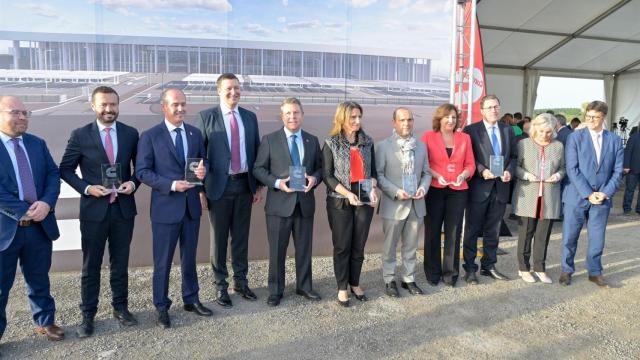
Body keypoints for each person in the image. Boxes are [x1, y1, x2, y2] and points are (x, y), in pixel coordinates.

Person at [59, 86, 139, 338]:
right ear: (93, 106)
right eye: (103, 105)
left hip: (123, 210)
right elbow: (66, 170)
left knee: (120, 263)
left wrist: (133, 183)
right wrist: (86, 188)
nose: (109, 109)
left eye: (113, 105)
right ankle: (88, 315)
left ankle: (120, 308)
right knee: (90, 265)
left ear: (118, 106)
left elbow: (142, 167)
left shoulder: (130, 134)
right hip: (94, 211)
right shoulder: (81, 135)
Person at [136, 88, 212, 328]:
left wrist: (203, 170)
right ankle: (161, 306)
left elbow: (203, 160)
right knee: (163, 261)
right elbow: (142, 172)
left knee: (189, 258)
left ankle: (191, 298)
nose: (181, 109)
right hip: (165, 209)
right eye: (175, 104)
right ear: (164, 107)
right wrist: (170, 184)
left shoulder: (194, 133)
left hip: (191, 208)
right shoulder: (150, 136)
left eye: (183, 104)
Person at [0, 96, 64, 342]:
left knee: (39, 278)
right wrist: (24, 209)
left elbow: (52, 174)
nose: (22, 117)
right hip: (6, 228)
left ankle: (45, 321)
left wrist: (46, 203)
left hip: (38, 227)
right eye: (15, 112)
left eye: (25, 113)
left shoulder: (36, 143)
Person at [195, 73, 262, 308]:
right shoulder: (206, 117)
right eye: (228, 89)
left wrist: (258, 185)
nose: (233, 92)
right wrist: (199, 190)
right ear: (218, 91)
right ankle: (220, 285)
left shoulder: (250, 117)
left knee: (241, 238)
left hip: (244, 185)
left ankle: (241, 282)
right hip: (218, 187)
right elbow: (198, 155)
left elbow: (256, 152)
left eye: (237, 88)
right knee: (219, 239)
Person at [253, 98, 323, 307]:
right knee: (277, 250)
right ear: (282, 116)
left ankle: (304, 286)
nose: (292, 117)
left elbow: (320, 169)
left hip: (304, 204)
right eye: (288, 113)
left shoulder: (312, 140)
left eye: (296, 113)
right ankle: (275, 290)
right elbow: (258, 169)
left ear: (302, 115)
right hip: (278, 205)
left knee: (304, 249)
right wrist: (277, 183)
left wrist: (315, 179)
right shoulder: (270, 139)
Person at [560, 101, 623, 287]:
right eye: (588, 117)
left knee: (597, 238)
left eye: (595, 117)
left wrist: (604, 193)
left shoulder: (615, 140)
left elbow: (618, 171)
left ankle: (595, 272)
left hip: (602, 198)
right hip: (576, 196)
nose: (591, 120)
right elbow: (572, 169)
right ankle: (566, 269)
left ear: (603, 117)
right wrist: (588, 193)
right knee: (570, 236)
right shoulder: (575, 137)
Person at [323, 101, 378, 307]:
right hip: (339, 202)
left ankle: (354, 283)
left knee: (359, 245)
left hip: (363, 199)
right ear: (342, 119)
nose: (357, 121)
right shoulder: (331, 142)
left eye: (359, 117)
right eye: (352, 117)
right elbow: (327, 176)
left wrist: (372, 188)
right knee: (342, 246)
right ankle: (342, 287)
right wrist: (347, 194)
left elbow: (373, 173)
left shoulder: (367, 141)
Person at [462, 95, 517, 284]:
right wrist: (481, 170)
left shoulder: (508, 130)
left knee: (493, 231)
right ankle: (470, 268)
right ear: (482, 110)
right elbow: (467, 157)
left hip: (500, 188)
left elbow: (514, 157)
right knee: (472, 230)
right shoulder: (470, 130)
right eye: (490, 107)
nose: (494, 110)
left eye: (497, 106)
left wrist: (509, 171)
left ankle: (489, 265)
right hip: (479, 188)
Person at [376, 107, 431, 297]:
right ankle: (389, 279)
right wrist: (396, 192)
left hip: (416, 204)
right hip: (394, 204)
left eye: (409, 120)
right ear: (394, 122)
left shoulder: (421, 146)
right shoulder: (382, 146)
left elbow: (427, 173)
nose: (406, 123)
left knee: (411, 246)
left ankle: (409, 278)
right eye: (402, 120)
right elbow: (379, 176)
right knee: (390, 246)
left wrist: (423, 187)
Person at [421, 104, 475, 287]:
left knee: (453, 231)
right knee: (432, 231)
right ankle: (432, 272)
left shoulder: (465, 138)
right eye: (447, 117)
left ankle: (451, 274)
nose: (450, 120)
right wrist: (437, 175)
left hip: (458, 190)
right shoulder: (428, 137)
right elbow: (423, 164)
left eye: (453, 117)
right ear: (439, 119)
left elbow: (470, 164)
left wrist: (463, 175)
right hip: (435, 189)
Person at [513, 114, 565, 284]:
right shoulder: (524, 144)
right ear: (535, 128)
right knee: (526, 234)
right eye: (542, 131)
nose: (544, 135)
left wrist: (558, 175)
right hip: (528, 195)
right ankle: (523, 268)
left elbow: (564, 168)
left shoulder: (558, 146)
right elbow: (516, 167)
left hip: (549, 197)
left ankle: (540, 268)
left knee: (543, 235)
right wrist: (526, 175)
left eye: (549, 132)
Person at [622, 131, 640, 215]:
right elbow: (627, 151)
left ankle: (639, 209)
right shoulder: (634, 137)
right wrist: (626, 166)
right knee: (630, 189)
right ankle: (627, 209)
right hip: (633, 168)